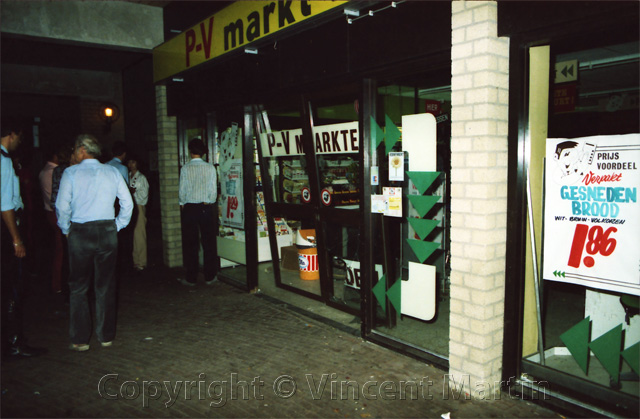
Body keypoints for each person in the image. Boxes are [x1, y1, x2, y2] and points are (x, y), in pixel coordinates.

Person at [56, 134, 133, 351]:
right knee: (105, 285)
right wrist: (117, 226)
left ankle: (81, 339)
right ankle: (105, 335)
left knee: (79, 287)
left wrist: (66, 229)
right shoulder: (112, 171)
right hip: (107, 230)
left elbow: (62, 206)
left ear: (81, 150)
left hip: (80, 231)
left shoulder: (70, 173)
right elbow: (128, 203)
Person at [1, 122, 47, 358]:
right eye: (19, 136)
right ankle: (14, 341)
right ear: (12, 134)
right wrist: (17, 239)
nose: (20, 141)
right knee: (13, 286)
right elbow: (6, 205)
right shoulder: (4, 161)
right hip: (6, 230)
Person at [178, 138, 218, 286]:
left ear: (190, 151)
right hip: (205, 207)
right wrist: (208, 201)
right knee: (208, 243)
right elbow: (213, 191)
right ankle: (210, 276)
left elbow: (182, 190)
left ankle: (191, 278)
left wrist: (182, 203)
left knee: (191, 244)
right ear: (203, 152)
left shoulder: (185, 168)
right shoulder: (210, 168)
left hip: (189, 208)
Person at [39, 147, 63, 293]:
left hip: (49, 212)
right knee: (61, 251)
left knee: (59, 249)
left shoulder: (43, 170)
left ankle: (57, 283)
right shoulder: (54, 171)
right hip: (55, 213)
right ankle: (58, 284)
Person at [127, 156, 149, 272]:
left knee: (139, 234)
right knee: (133, 236)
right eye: (130, 161)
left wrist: (133, 193)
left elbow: (144, 197)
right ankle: (135, 260)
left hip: (138, 206)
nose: (131, 164)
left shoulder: (141, 178)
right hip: (129, 207)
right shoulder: (128, 176)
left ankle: (141, 261)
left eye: (133, 161)